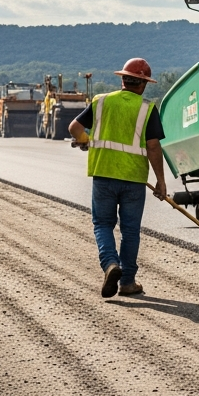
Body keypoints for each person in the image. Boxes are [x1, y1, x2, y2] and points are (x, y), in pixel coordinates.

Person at [68, 58, 169, 299]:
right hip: (134, 179)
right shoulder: (147, 108)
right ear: (143, 84)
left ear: (122, 79)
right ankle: (127, 282)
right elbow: (153, 146)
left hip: (103, 174)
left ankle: (110, 264)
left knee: (103, 224)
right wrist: (161, 182)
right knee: (130, 231)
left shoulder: (101, 102)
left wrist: (86, 142)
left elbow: (74, 128)